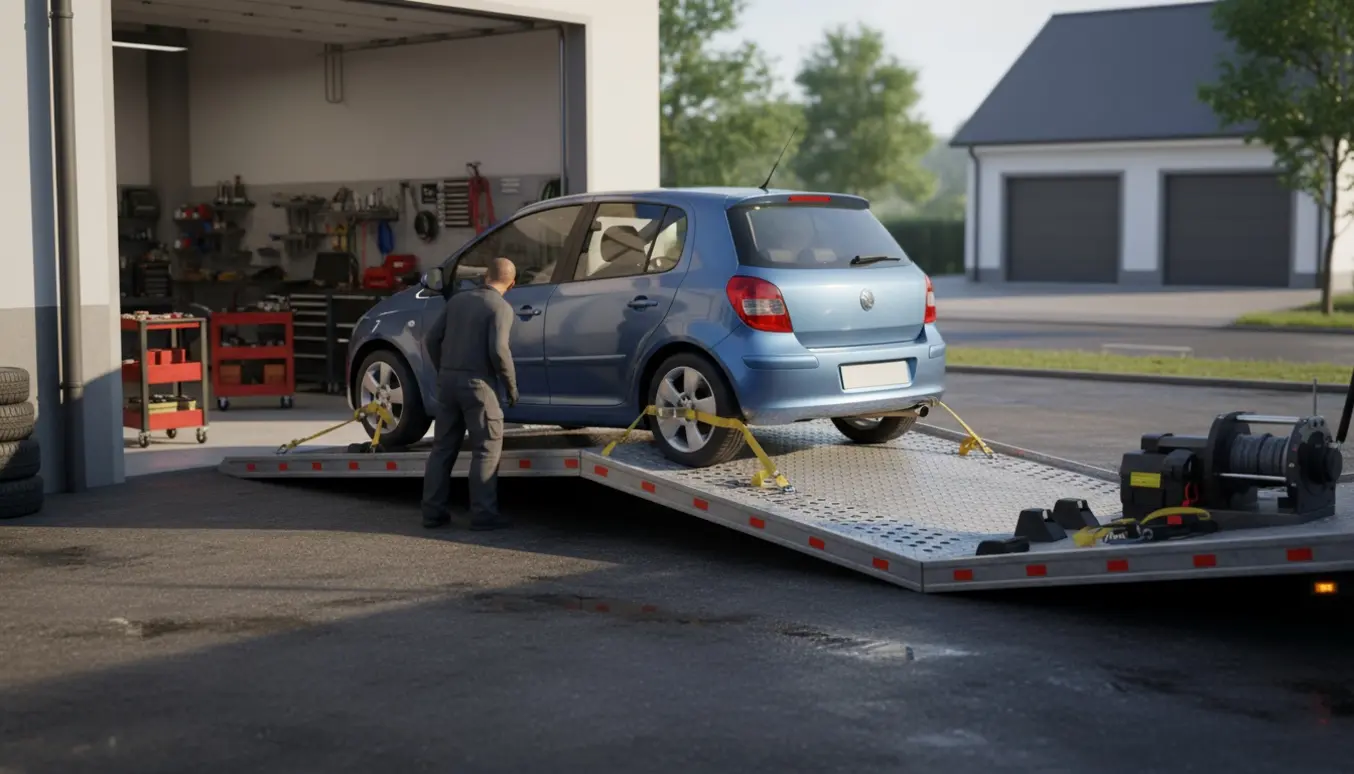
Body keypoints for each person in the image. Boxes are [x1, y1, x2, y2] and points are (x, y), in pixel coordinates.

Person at [421, 257, 519, 530]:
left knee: (442, 449)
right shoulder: (500, 307)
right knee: (486, 448)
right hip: (479, 386)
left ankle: (432, 513)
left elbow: (431, 339)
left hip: (448, 384)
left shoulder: (457, 301)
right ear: (512, 284)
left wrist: (444, 369)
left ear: (485, 276)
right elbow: (499, 350)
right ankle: (484, 514)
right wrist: (511, 386)